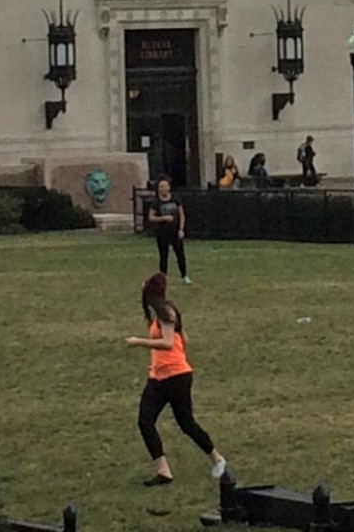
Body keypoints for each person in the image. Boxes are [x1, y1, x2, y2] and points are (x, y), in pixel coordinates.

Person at [124, 272, 226, 487]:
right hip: (158, 377)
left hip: (177, 376)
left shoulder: (166, 312)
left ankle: (217, 458)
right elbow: (183, 338)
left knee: (186, 423)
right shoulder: (159, 313)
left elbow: (169, 342)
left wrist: (138, 342)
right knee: (145, 420)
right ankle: (164, 471)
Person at [145, 178, 189, 282]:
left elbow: (181, 214)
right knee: (163, 255)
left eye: (165, 186)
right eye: (161, 187)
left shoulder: (175, 199)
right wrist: (163, 218)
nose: (163, 188)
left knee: (180, 254)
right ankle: (163, 277)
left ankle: (184, 276)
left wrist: (181, 229)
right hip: (162, 232)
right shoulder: (156, 202)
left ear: (169, 187)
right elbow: (151, 217)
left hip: (175, 230)